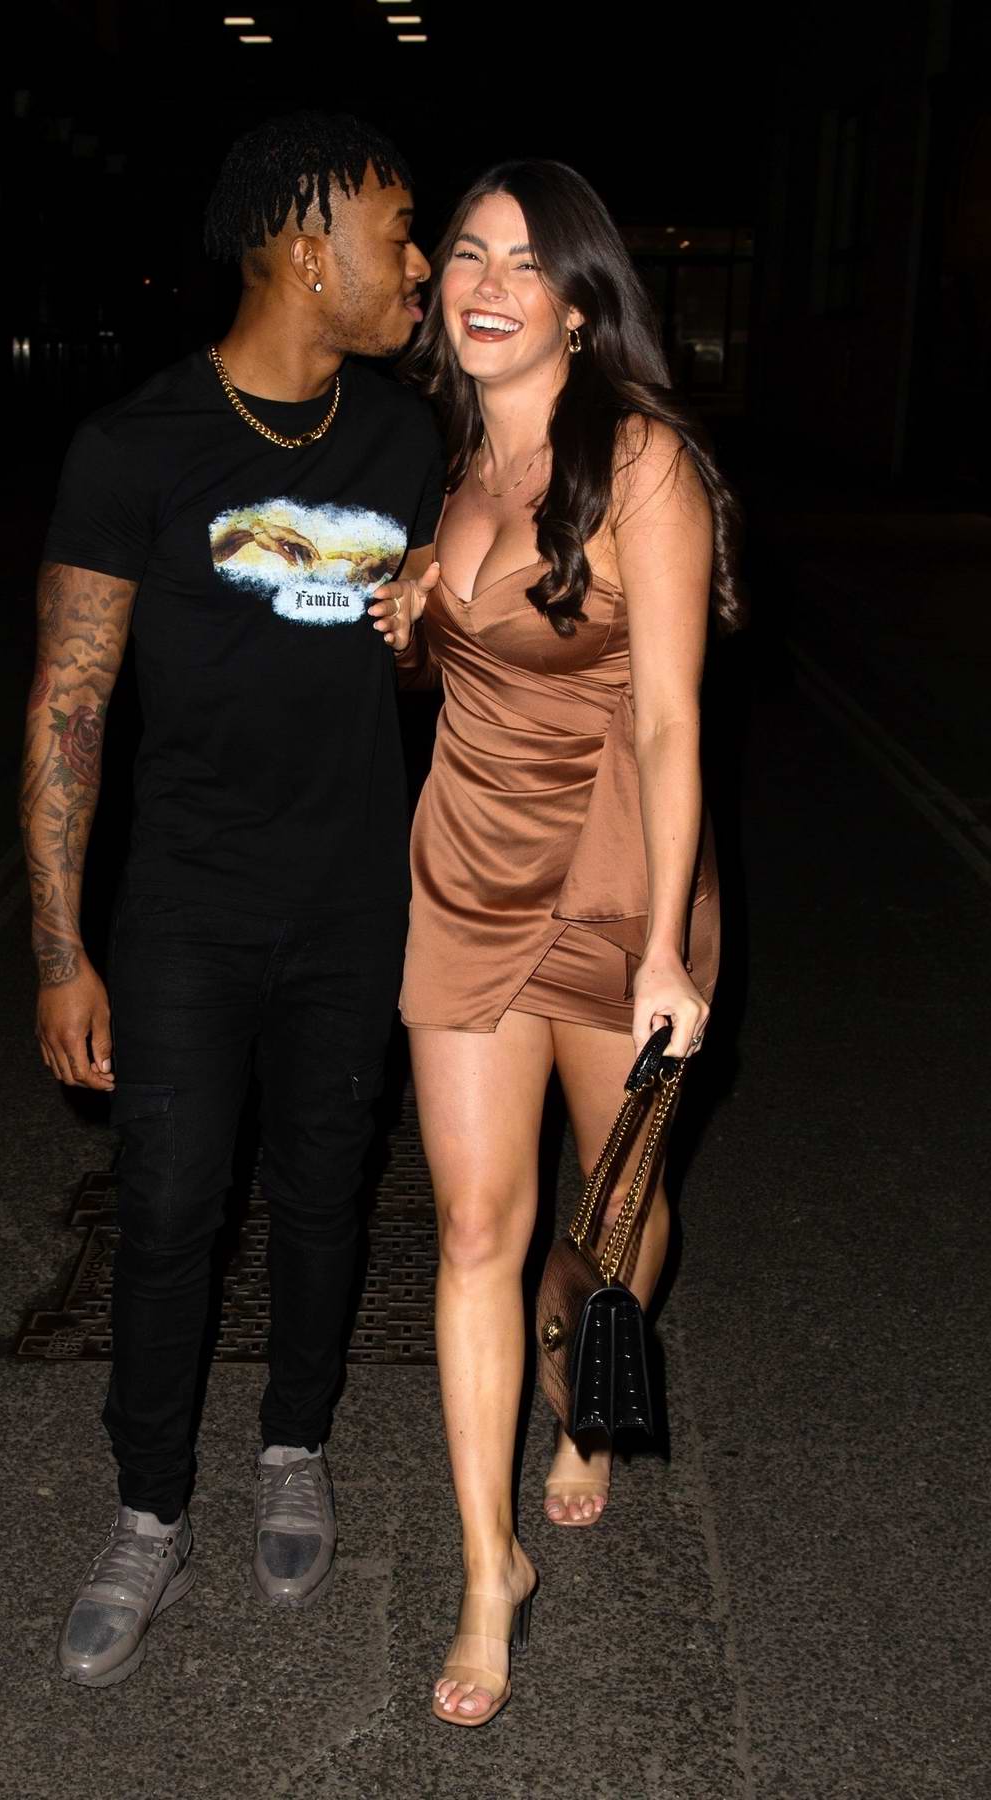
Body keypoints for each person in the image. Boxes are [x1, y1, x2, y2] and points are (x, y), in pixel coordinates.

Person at [19, 110, 442, 1688]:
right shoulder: (134, 448)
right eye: (398, 232)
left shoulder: (410, 439)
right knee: (169, 1207)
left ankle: (295, 1446)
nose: (415, 263)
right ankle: (148, 1511)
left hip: (356, 902)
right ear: (302, 241)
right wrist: (63, 950)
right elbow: (70, 702)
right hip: (187, 905)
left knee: (329, 1190)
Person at [368, 160, 742, 1726]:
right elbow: (467, 665)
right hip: (464, 868)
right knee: (471, 1231)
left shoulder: (639, 461)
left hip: (612, 876)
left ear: (581, 305)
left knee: (607, 1227)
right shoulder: (448, 469)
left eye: (525, 261)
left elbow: (665, 718)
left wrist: (666, 949)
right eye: (466, 253)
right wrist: (413, 612)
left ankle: (592, 1392)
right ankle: (484, 1568)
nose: (486, 279)